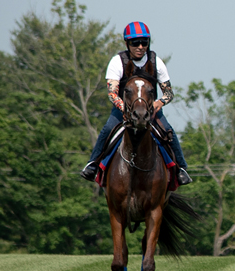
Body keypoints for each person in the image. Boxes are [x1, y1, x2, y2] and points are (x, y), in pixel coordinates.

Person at [81, 22, 193, 185]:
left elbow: (169, 93)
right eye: (135, 43)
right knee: (108, 129)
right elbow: (112, 93)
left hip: (150, 110)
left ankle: (181, 168)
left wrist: (159, 103)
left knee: (168, 129)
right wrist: (124, 109)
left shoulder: (156, 62)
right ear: (127, 43)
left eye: (144, 42)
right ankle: (92, 164)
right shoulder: (117, 62)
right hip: (123, 110)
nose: (140, 47)